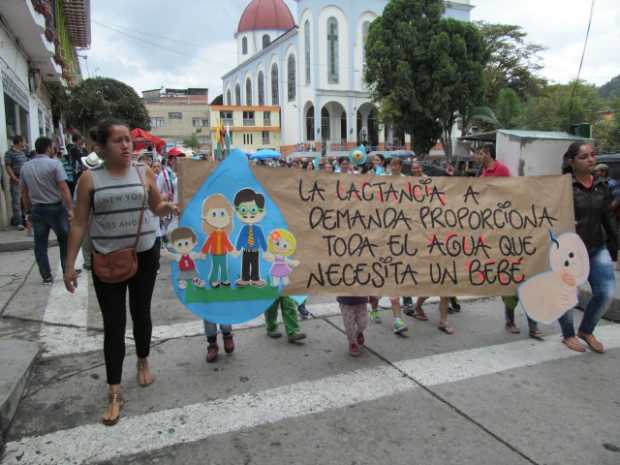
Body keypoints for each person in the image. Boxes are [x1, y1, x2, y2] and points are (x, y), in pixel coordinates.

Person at [63, 120, 178, 426]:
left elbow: (156, 206)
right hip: (107, 259)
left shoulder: (144, 172)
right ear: (101, 147)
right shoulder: (89, 179)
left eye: (128, 139)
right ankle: (114, 390)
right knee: (114, 325)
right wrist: (69, 264)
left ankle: (143, 360)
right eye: (118, 141)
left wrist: (170, 207)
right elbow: (79, 223)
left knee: (141, 313)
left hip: (145, 254)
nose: (126, 145)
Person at [475, 144, 542, 339]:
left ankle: (533, 325)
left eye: (479, 153)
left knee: (528, 282)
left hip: (516, 239)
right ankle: (510, 320)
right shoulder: (482, 173)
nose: (476, 156)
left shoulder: (502, 171)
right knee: (510, 282)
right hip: (499, 237)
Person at [557, 142, 619, 353]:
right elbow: (549, 217)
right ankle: (568, 334)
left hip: (597, 247)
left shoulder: (602, 186)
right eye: (584, 157)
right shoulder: (562, 187)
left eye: (593, 155)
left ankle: (586, 330)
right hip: (569, 252)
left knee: (606, 293)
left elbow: (609, 218)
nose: (591, 159)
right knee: (567, 295)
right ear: (571, 161)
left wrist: (616, 243)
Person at [20, 137, 74, 284]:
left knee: (40, 244)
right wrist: (70, 208)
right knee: (65, 240)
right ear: (49, 148)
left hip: (37, 209)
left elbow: (24, 192)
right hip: (56, 208)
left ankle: (46, 275)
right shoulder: (55, 164)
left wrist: (28, 211)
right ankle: (67, 270)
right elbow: (63, 187)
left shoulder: (26, 167)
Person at [78, 152, 104, 271]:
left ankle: (88, 261)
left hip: (88, 211)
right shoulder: (101, 177)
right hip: (98, 210)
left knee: (87, 237)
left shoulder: (83, 179)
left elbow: (77, 199)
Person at [4, 135, 28, 230]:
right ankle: (18, 222)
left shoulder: (23, 152)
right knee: (16, 201)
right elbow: (8, 166)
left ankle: (26, 220)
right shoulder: (9, 153)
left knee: (25, 200)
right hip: (16, 179)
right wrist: (14, 178)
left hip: (25, 179)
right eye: (23, 141)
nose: (24, 143)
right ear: (19, 142)